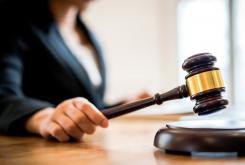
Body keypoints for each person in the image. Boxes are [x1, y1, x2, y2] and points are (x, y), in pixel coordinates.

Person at [0, 0, 149, 142]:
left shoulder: (88, 34)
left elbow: (87, 103)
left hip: (88, 151)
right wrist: (45, 118)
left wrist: (123, 105)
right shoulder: (14, 24)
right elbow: (4, 97)